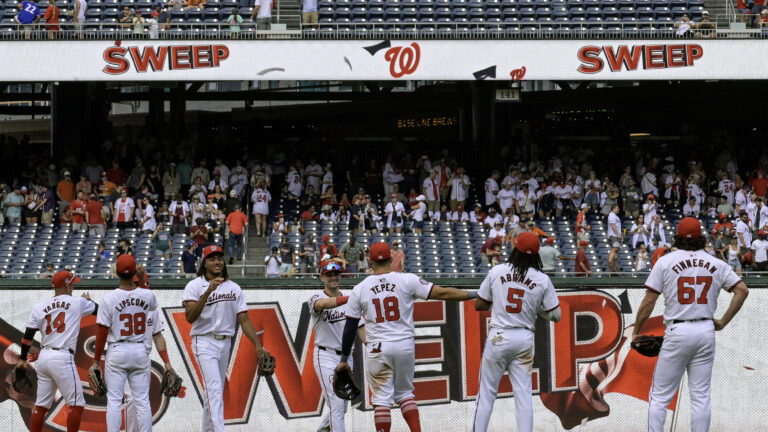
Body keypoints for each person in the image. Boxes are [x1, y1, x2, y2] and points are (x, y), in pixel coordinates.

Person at [335, 242, 477, 432]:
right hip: (404, 345)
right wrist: (474, 293)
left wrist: (344, 359)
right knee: (405, 394)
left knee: (382, 400)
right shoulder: (407, 280)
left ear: (370, 260)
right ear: (392, 259)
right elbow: (442, 293)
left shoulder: (360, 288)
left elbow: (350, 327)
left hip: (378, 347)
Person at [633, 217, 749, 432]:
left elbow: (649, 301)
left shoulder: (666, 261)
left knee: (659, 396)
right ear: (700, 238)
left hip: (678, 329)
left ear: (677, 237)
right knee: (700, 396)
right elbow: (742, 290)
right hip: (705, 330)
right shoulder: (716, 262)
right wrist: (722, 321)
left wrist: (637, 331)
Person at [472, 232, 560, 432]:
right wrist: (536, 307)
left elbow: (479, 304)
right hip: (524, 337)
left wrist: (500, 303)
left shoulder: (498, 270)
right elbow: (556, 316)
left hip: (499, 334)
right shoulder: (542, 279)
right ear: (537, 254)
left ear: (515, 248)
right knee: (523, 395)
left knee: (486, 394)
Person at [182, 245, 272, 432]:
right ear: (204, 263)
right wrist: (208, 292)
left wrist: (257, 345)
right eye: (212, 258)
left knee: (213, 392)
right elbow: (190, 317)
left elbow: (244, 319)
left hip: (225, 343)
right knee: (214, 389)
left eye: (219, 258)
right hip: (203, 340)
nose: (217, 262)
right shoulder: (195, 285)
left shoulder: (234, 287)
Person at [17, 270, 95, 432]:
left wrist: (23, 359)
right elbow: (98, 310)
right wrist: (88, 300)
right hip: (62, 357)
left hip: (44, 357)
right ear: (66, 286)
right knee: (76, 404)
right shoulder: (77, 302)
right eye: (72, 283)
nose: (74, 286)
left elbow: (28, 337)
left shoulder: (39, 307)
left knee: (41, 405)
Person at [91, 255, 158, 432]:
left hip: (117, 350)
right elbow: (150, 305)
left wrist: (96, 361)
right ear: (135, 271)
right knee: (142, 400)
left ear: (116, 273)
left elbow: (102, 332)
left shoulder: (108, 298)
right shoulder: (147, 294)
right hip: (139, 349)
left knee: (114, 400)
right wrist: (142, 280)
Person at [309, 261, 366, 432]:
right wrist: (351, 298)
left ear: (341, 276)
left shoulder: (351, 300)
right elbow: (322, 305)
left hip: (347, 357)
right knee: (337, 404)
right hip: (325, 355)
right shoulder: (315, 296)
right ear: (322, 277)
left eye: (336, 274)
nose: (333, 277)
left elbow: (361, 328)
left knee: (342, 405)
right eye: (329, 275)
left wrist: (372, 348)